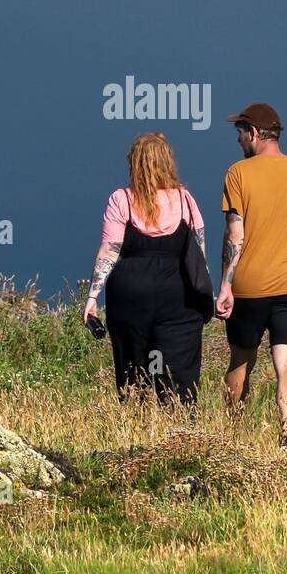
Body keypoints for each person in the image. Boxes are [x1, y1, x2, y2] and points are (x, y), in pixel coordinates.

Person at [215, 102, 287, 445]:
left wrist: (225, 285)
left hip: (250, 286)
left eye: (239, 133)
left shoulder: (238, 173)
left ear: (253, 133)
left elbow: (236, 234)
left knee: (241, 358)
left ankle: (233, 434)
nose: (237, 140)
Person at [83, 132, 208, 406]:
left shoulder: (121, 200)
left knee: (132, 365)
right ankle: (179, 428)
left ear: (134, 164)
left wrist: (92, 297)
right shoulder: (186, 200)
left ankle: (135, 422)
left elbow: (110, 250)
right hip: (179, 296)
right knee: (178, 370)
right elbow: (200, 253)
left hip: (130, 294)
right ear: (168, 162)